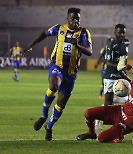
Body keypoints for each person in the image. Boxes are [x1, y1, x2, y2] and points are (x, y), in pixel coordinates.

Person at [23, 7, 93, 141]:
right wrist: (31, 45)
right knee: (54, 85)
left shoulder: (83, 33)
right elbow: (44, 33)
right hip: (57, 66)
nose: (76, 21)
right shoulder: (59, 28)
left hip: (71, 74)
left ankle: (49, 127)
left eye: (78, 18)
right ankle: (43, 116)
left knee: (61, 104)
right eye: (73, 18)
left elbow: (89, 51)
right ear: (68, 19)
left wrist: (78, 45)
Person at [76, 66, 133, 145]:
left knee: (101, 138)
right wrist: (122, 71)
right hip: (119, 111)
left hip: (126, 124)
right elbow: (129, 81)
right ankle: (91, 133)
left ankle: (118, 136)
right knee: (88, 113)